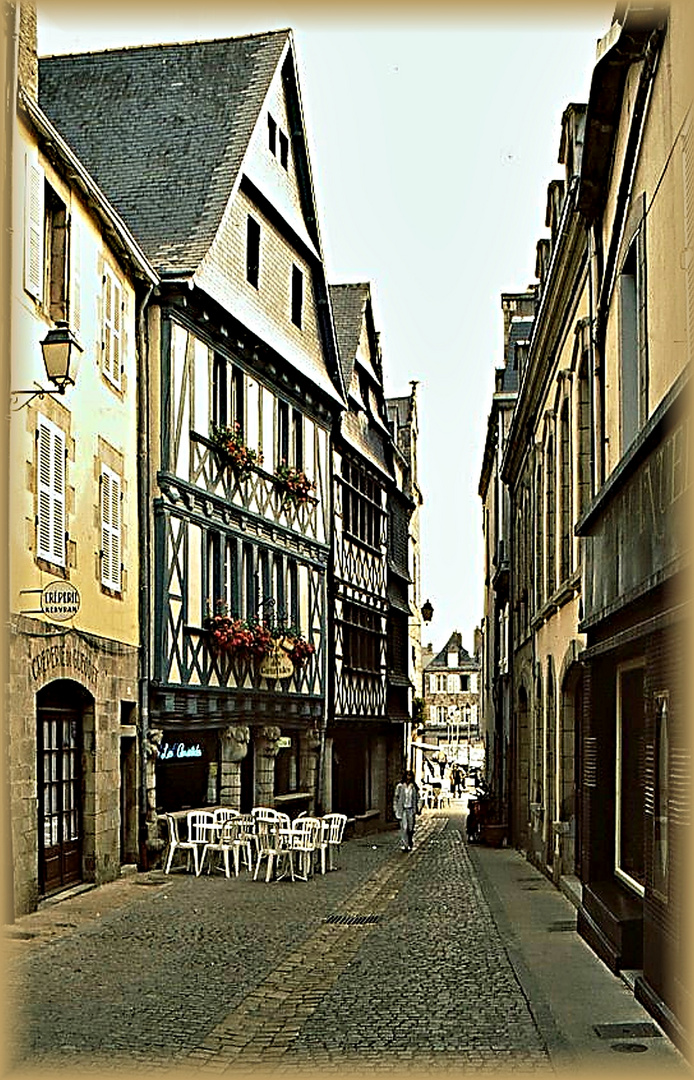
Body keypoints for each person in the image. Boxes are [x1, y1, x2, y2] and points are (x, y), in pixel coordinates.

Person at [393, 769, 422, 852]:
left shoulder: (414, 787)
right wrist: (395, 809)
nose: (408, 777)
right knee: (404, 827)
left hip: (411, 810)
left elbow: (418, 798)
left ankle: (409, 841)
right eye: (407, 775)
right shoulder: (400, 786)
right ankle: (405, 845)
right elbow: (396, 798)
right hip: (403, 810)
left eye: (410, 776)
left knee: (410, 828)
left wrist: (418, 808)